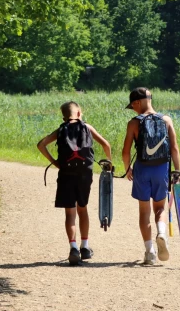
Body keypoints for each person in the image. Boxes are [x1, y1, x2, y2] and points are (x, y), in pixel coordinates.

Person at [37, 101, 112, 265]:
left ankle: (73, 249)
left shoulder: (61, 129)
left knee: (70, 213)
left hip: (66, 173)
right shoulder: (87, 127)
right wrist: (109, 164)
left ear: (64, 117)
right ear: (79, 113)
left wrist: (55, 162)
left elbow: (41, 144)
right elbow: (106, 145)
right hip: (85, 174)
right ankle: (85, 246)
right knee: (82, 209)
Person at [122, 87, 180, 265]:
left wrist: (128, 169)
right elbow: (175, 149)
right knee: (160, 209)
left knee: (144, 211)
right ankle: (161, 233)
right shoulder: (166, 119)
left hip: (142, 169)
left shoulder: (133, 123)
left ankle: (150, 252)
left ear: (137, 102)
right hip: (161, 169)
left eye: (132, 105)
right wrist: (177, 172)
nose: (133, 109)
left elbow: (125, 152)